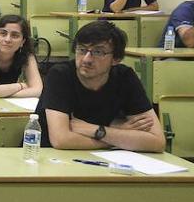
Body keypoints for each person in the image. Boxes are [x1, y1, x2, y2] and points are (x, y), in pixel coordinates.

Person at [36, 21, 164, 151]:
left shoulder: (125, 77)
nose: (86, 59)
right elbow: (61, 140)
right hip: (48, 158)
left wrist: (96, 130)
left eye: (98, 52)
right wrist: (119, 137)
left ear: (116, 58)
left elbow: (157, 142)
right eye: (81, 50)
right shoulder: (60, 75)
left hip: (103, 162)